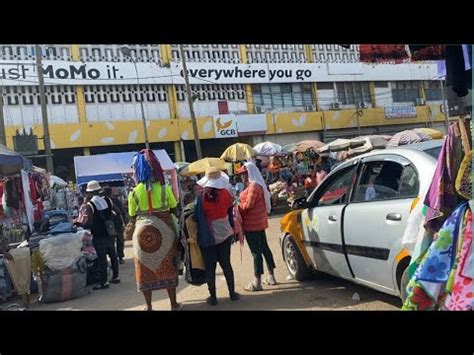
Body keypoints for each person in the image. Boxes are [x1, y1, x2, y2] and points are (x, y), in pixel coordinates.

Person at [128, 149, 182, 311]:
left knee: (144, 269)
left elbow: (132, 214)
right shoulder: (165, 189)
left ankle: (148, 306)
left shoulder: (134, 192)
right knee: (168, 267)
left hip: (142, 234)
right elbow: (174, 208)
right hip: (165, 231)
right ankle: (173, 304)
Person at [194, 167, 241, 306]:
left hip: (208, 236)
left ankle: (213, 297)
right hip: (225, 233)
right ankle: (232, 294)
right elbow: (229, 210)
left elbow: (197, 216)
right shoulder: (226, 194)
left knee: (210, 267)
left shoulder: (201, 197)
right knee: (226, 264)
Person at [237, 162, 277, 292]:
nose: (242, 177)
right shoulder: (256, 185)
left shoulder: (254, 186)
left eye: (244, 174)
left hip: (252, 225)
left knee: (256, 253)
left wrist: (237, 206)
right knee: (264, 249)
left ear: (249, 173)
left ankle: (257, 282)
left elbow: (248, 205)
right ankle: (271, 276)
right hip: (259, 223)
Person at [82, 181, 120, 290]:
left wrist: (81, 224)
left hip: (98, 235)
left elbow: (88, 222)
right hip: (110, 233)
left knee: (102, 258)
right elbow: (116, 213)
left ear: (89, 193)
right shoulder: (108, 200)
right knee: (113, 254)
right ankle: (116, 276)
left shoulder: (90, 205)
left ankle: (104, 282)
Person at [103, 187, 126, 264]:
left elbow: (120, 211)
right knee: (119, 240)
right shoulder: (114, 200)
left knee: (112, 241)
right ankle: (119, 257)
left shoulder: (103, 201)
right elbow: (121, 212)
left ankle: (116, 257)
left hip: (110, 224)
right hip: (114, 223)